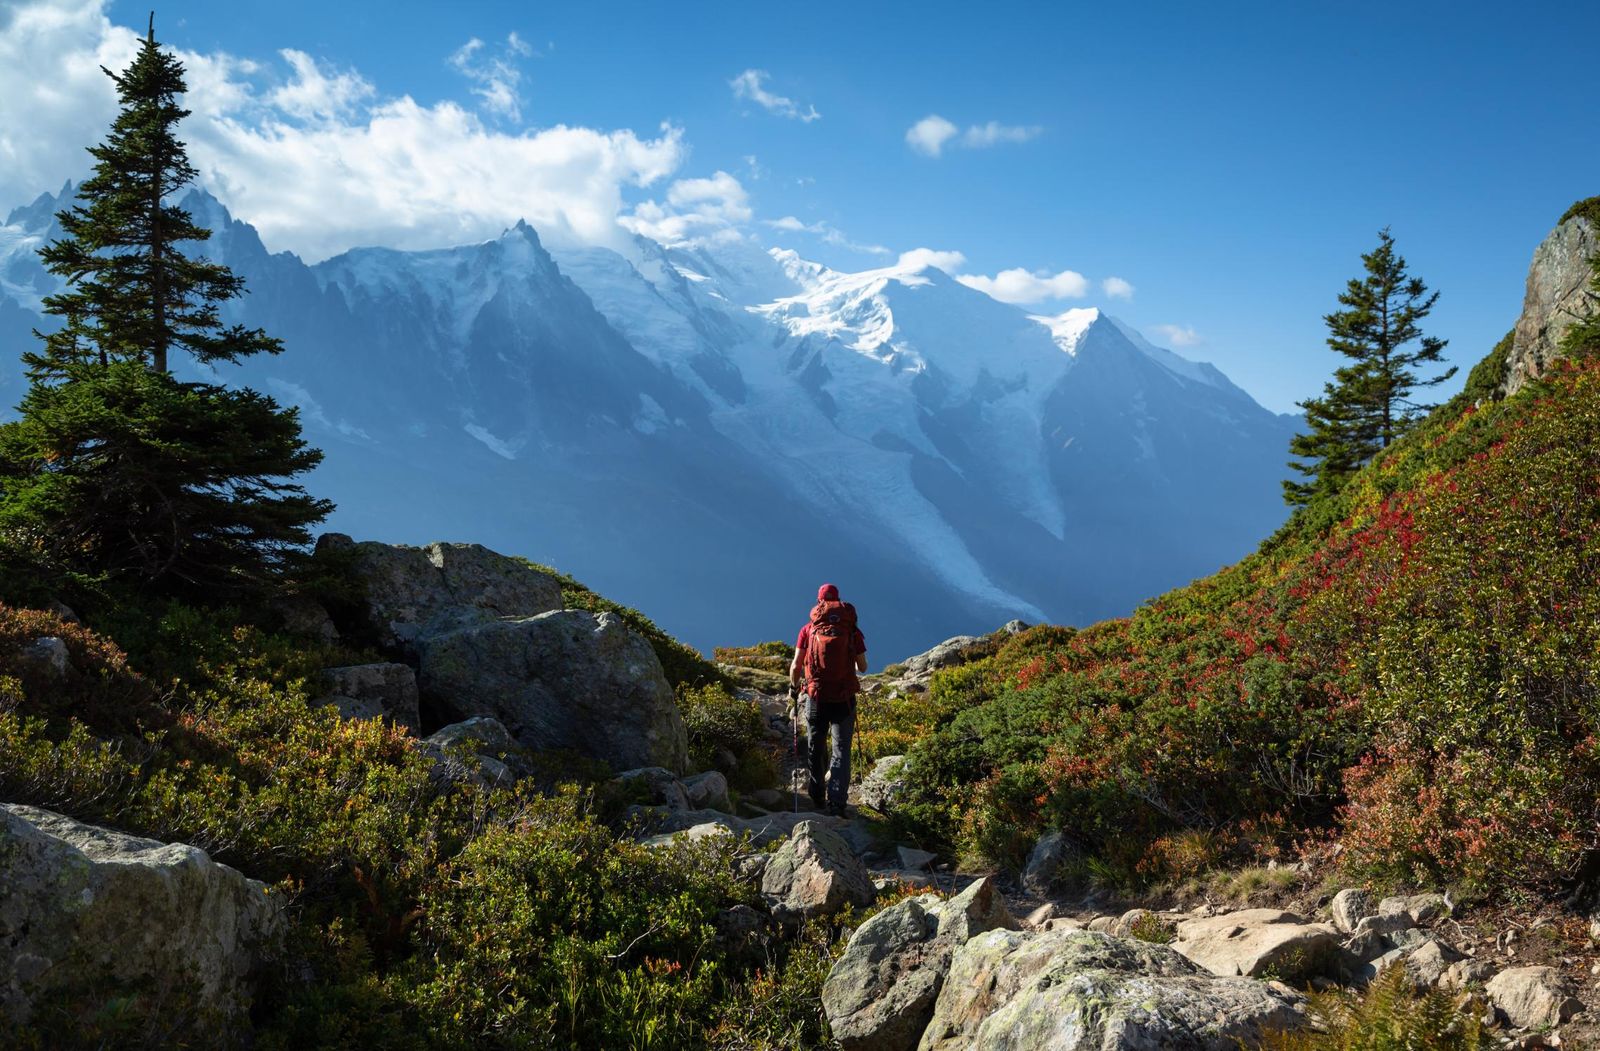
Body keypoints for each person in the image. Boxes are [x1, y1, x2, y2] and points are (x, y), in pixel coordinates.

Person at [788, 583, 867, 816]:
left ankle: (817, 794)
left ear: (819, 602)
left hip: (816, 697)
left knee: (815, 745)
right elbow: (862, 667)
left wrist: (794, 688)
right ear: (838, 601)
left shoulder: (808, 629)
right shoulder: (852, 629)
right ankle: (837, 803)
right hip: (844, 698)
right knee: (841, 748)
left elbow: (795, 666)